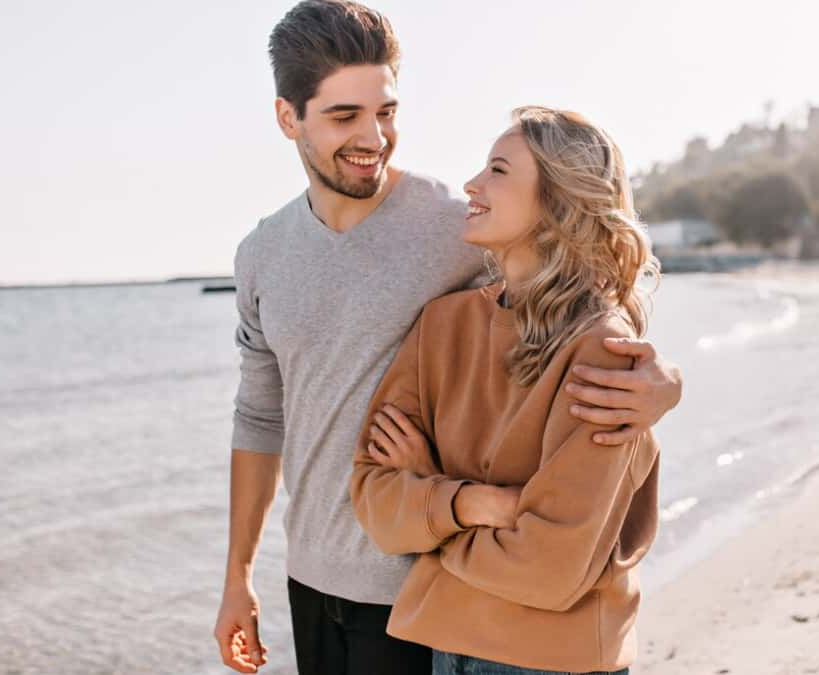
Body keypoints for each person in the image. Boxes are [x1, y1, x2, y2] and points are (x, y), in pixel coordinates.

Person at [213, 3, 683, 674]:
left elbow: (577, 286)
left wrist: (663, 384)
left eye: (386, 112)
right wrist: (238, 576)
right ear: (289, 118)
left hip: (427, 589)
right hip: (314, 576)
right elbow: (260, 415)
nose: (373, 136)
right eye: (344, 117)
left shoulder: (453, 225)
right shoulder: (262, 253)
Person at [351, 106, 660, 675]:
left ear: (558, 201)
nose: (471, 184)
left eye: (497, 169)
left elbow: (548, 567)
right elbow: (374, 501)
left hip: (554, 663)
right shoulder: (441, 326)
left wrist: (431, 509)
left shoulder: (602, 352)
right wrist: (470, 503)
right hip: (446, 649)